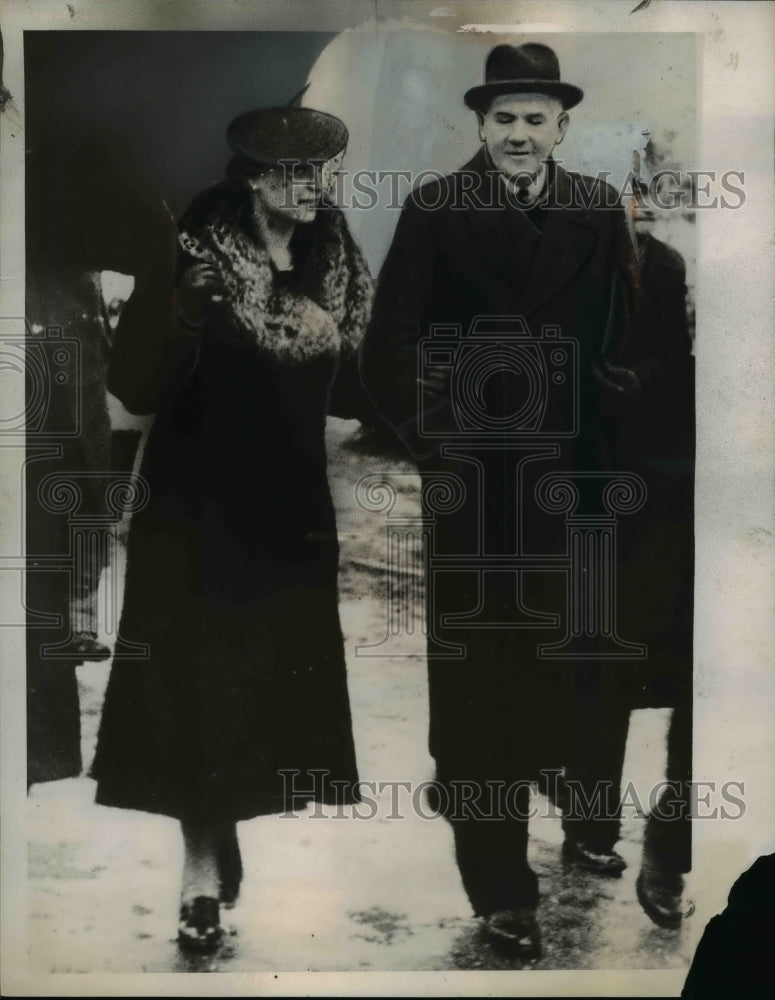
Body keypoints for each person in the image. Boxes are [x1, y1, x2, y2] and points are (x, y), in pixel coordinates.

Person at [361, 43, 640, 960]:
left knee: (575, 671)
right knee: (480, 690)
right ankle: (499, 886)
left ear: (563, 127)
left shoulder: (597, 209)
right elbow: (390, 349)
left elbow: (621, 342)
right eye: (503, 119)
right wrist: (444, 445)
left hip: (576, 486)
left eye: (536, 119)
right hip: (478, 491)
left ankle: (583, 820)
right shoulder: (438, 208)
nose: (519, 135)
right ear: (480, 124)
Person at [91, 105, 373, 952]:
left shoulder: (337, 258)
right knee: (197, 690)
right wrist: (178, 311)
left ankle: (226, 824)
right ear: (248, 179)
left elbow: (361, 384)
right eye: (293, 174)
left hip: (288, 512)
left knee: (265, 687)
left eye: (321, 172)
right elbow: (133, 384)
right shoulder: (187, 251)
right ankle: (202, 868)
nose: (312, 188)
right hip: (194, 510)